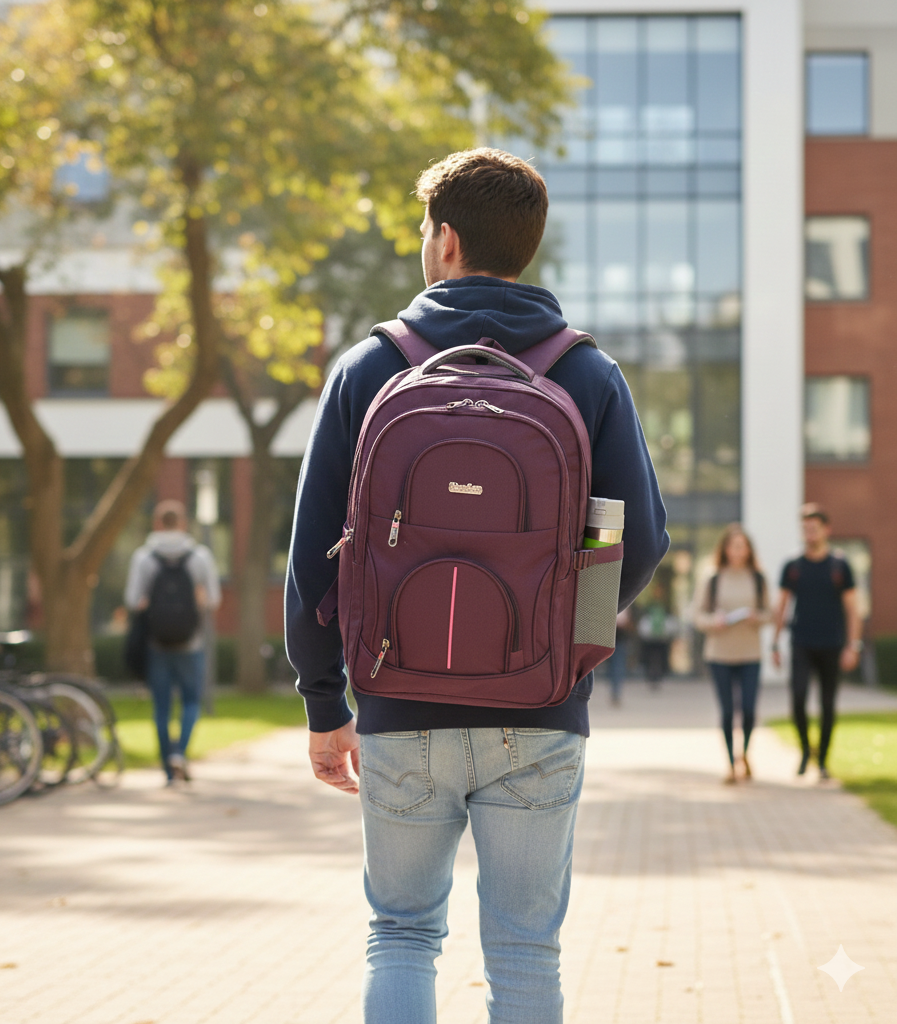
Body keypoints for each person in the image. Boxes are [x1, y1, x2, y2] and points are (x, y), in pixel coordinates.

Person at [285, 148, 669, 1024]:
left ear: (446, 241)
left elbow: (314, 558)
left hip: (396, 703)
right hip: (539, 707)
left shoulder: (369, 368)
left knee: (403, 933)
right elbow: (635, 543)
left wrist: (321, 702)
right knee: (527, 950)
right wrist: (570, 645)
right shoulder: (588, 374)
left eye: (426, 228)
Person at [124, 499, 221, 785]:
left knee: (161, 708)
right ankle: (180, 752)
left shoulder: (144, 557)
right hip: (191, 642)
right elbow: (213, 600)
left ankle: (168, 771)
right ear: (182, 523)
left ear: (157, 523)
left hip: (156, 644)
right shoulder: (199, 556)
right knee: (192, 701)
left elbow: (132, 600)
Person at [772, 503, 861, 781]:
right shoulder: (793, 566)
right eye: (805, 528)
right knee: (798, 699)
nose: (809, 533)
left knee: (827, 704)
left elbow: (852, 609)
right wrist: (775, 643)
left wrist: (853, 645)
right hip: (801, 642)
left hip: (832, 644)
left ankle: (822, 761)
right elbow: (782, 606)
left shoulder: (839, 565)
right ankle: (803, 752)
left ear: (826, 530)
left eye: (814, 528)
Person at [694, 524, 772, 783]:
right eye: (733, 545)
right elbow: (697, 615)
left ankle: (745, 754)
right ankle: (730, 763)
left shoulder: (758, 578)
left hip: (750, 654)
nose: (738, 551)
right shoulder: (713, 578)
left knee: (749, 710)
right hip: (719, 655)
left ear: (749, 549)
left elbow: (770, 614)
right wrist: (713, 621)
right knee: (728, 712)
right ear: (725, 549)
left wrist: (755, 617)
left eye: (742, 545)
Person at [606, 607, 634, 706]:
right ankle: (615, 691)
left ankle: (616, 691)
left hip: (619, 641)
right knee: (615, 667)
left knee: (617, 667)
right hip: (612, 641)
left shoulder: (624, 605)